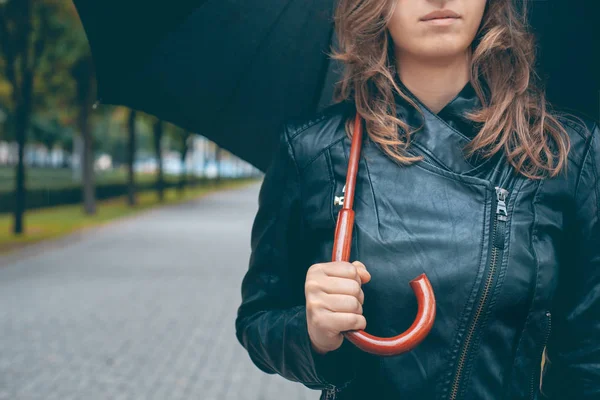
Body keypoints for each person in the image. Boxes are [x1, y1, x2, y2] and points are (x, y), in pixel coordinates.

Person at [235, 0, 600, 399]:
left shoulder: (562, 153)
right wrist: (312, 332)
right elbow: (259, 319)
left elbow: (587, 358)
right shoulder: (313, 150)